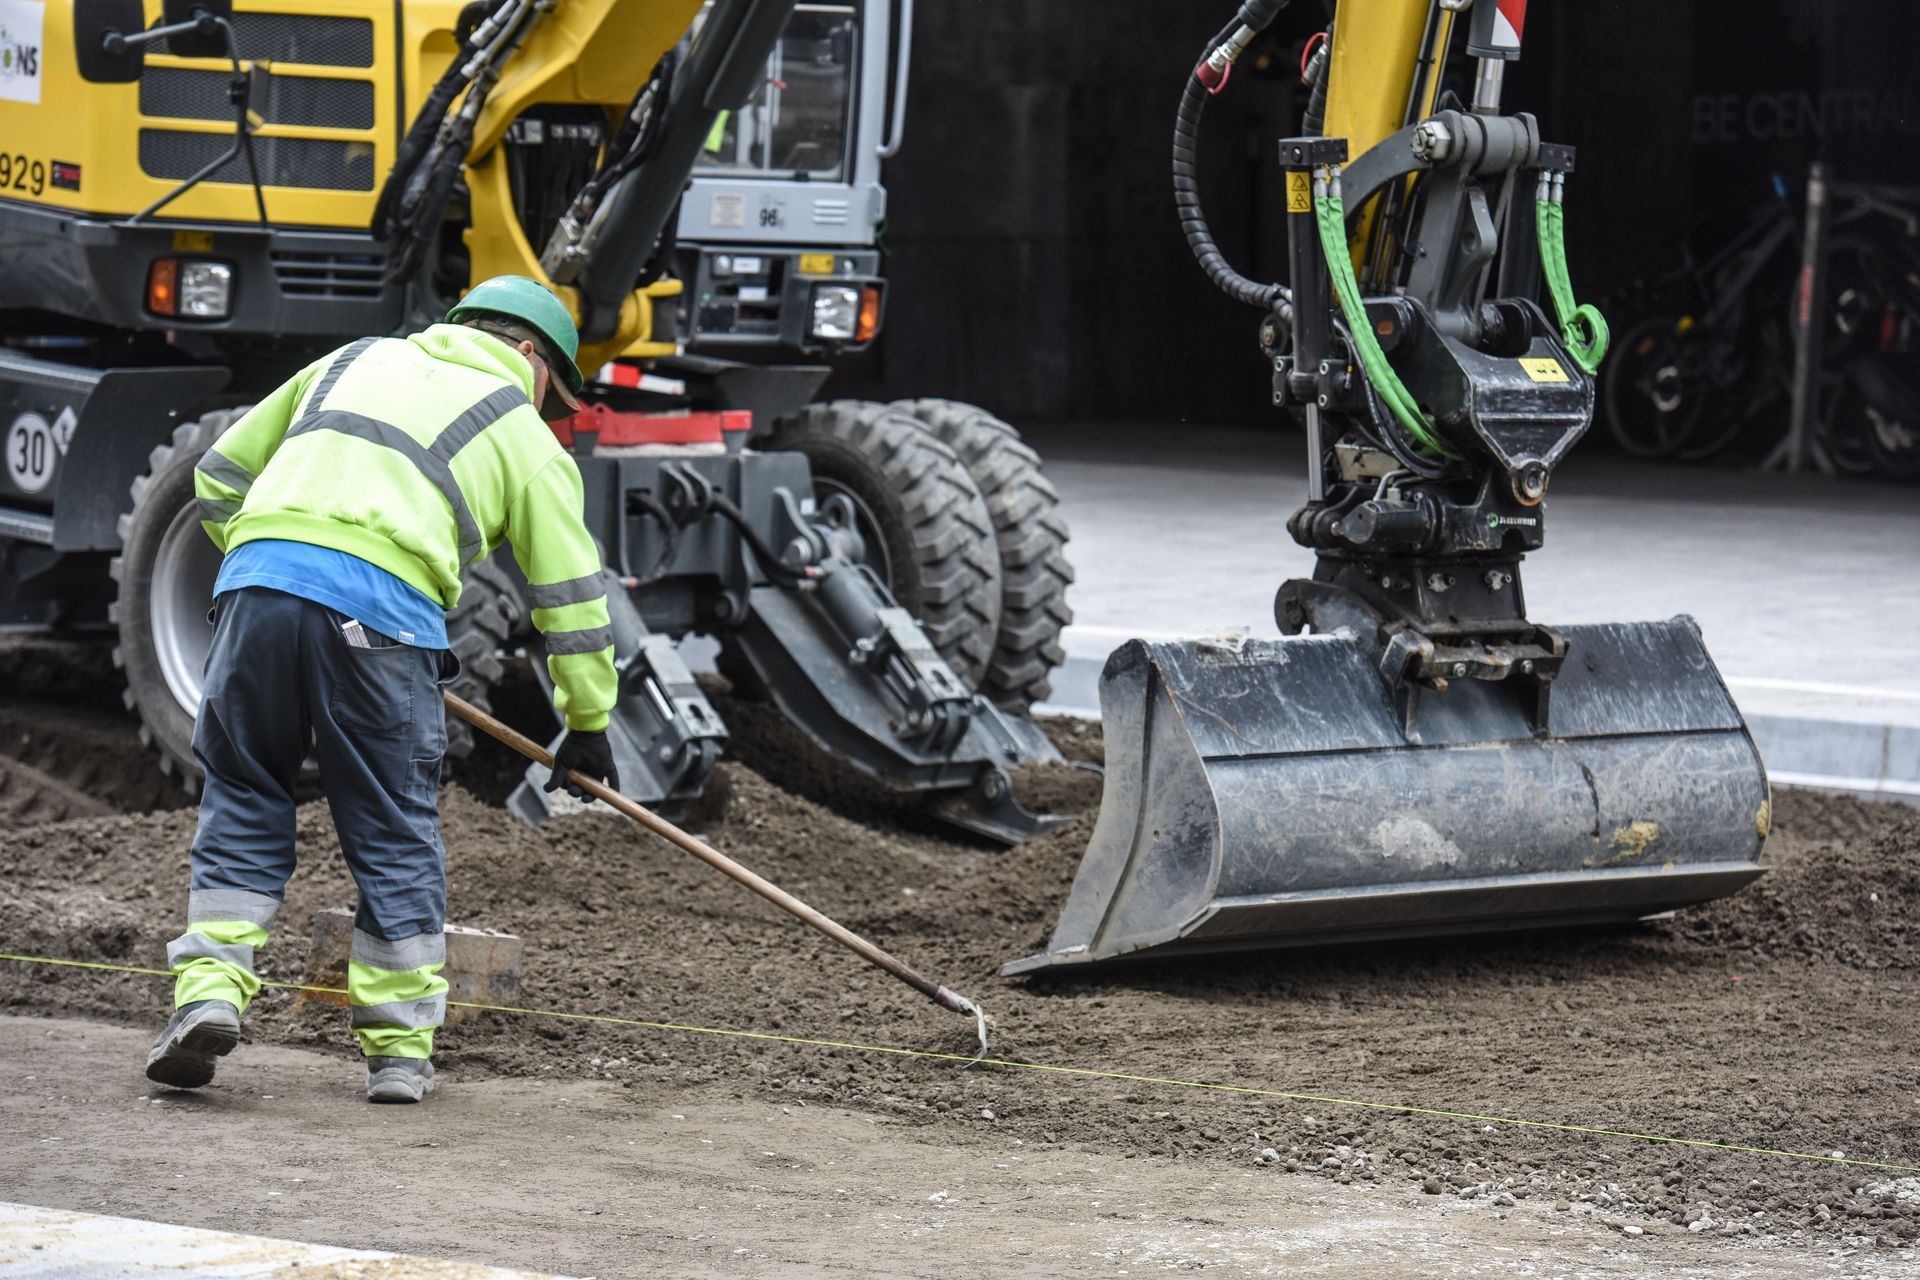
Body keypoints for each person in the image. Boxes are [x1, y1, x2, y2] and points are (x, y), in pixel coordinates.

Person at [145, 276, 621, 1103]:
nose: (547, 406)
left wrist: (275, 574)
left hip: (256, 589)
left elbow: (219, 473)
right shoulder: (523, 431)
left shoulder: (352, 359)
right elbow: (572, 600)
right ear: (528, 353)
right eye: (554, 389)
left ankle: (209, 994)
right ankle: (399, 1053)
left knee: (245, 793)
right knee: (393, 829)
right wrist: (588, 721)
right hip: (383, 620)